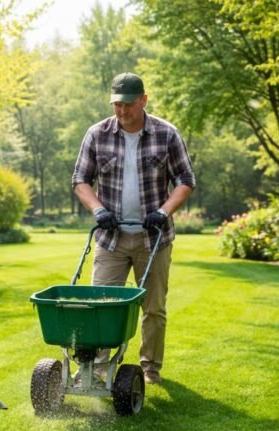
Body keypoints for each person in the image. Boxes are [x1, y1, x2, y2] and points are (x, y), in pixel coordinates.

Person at [72, 73, 195, 385]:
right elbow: (80, 180)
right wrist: (98, 209)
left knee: (153, 309)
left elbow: (185, 180)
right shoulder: (97, 134)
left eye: (128, 103)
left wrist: (163, 212)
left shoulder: (166, 134)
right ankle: (96, 370)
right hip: (110, 239)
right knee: (100, 306)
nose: (122, 110)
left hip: (153, 239)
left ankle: (150, 370)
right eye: (116, 104)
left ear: (143, 99)